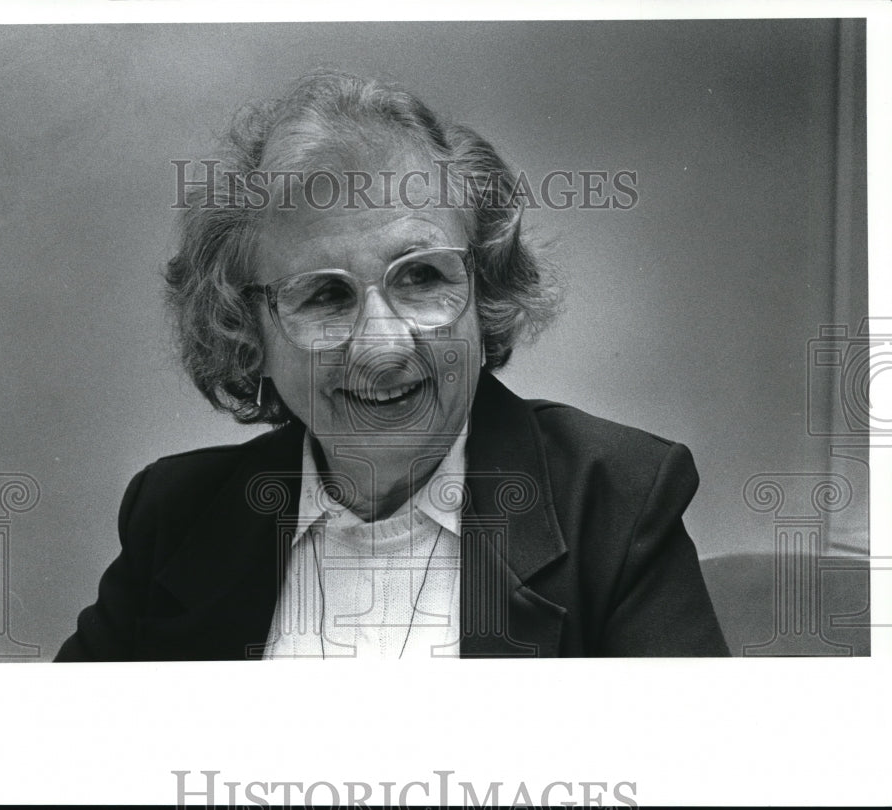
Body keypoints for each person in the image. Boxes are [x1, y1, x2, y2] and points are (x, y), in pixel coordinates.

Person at [56, 71, 728, 661]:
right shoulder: (178, 517)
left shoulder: (614, 502)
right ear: (245, 333)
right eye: (323, 295)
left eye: (423, 278)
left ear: (484, 291)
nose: (384, 346)